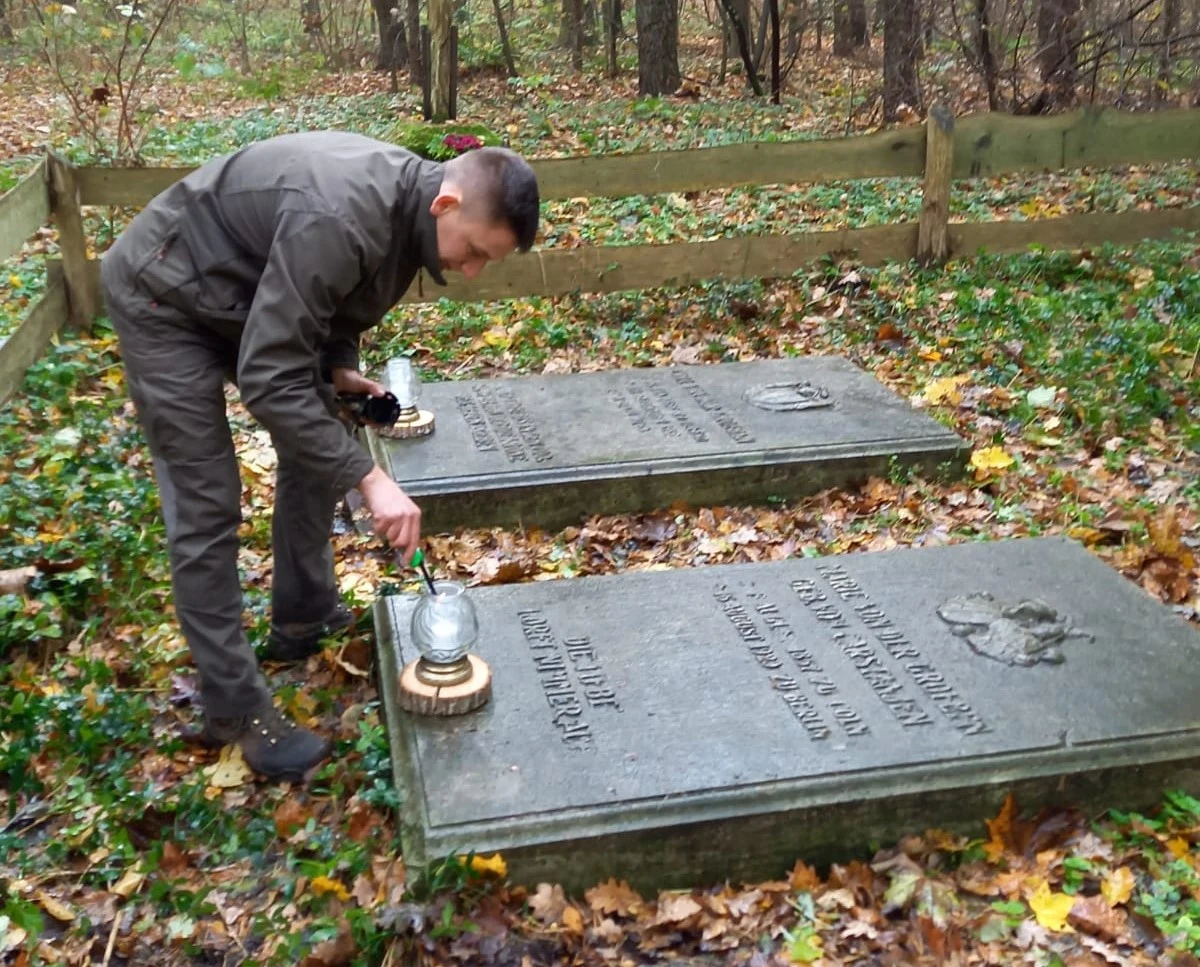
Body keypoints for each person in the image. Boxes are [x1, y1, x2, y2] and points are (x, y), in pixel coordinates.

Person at [100, 131, 540, 781]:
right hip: (165, 294)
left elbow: (336, 303)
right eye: (475, 251)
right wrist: (370, 478)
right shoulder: (343, 213)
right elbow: (268, 378)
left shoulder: (408, 214)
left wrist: (337, 367)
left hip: (244, 300)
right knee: (206, 501)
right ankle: (234, 709)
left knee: (320, 433)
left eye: (487, 260)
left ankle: (303, 616)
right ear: (446, 205)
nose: (472, 271)